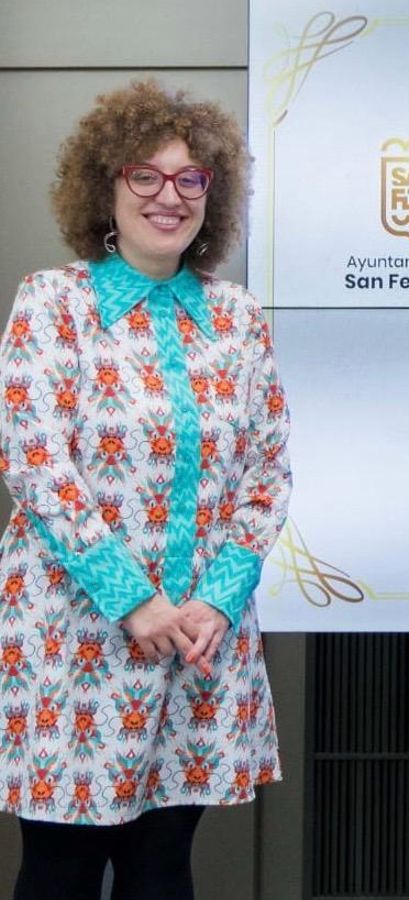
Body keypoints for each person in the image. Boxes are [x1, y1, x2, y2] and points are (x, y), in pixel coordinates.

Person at [0, 80, 290, 899]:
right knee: (60, 868)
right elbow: (34, 461)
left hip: (200, 642)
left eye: (190, 179)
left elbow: (267, 474)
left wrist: (213, 603)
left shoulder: (237, 319)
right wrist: (135, 601)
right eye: (146, 176)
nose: (170, 196)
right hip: (73, 639)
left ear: (214, 195)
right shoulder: (53, 303)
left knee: (163, 866)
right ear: (107, 187)